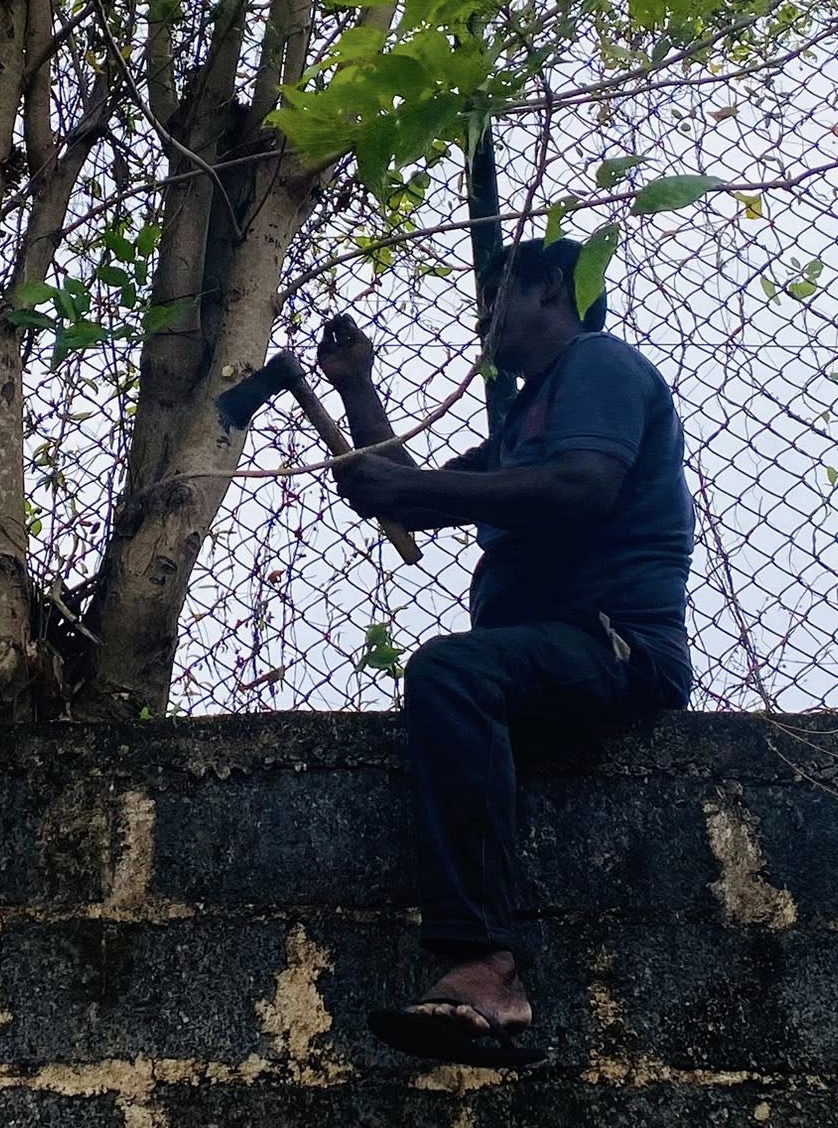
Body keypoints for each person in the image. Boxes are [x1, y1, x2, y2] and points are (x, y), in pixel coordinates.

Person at [318, 235, 695, 1069]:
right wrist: (358, 388)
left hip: (617, 645)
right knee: (460, 676)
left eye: (495, 298)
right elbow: (419, 497)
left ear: (551, 289)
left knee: (450, 671)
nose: (483, 319)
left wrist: (410, 488)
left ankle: (486, 971)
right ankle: (480, 969)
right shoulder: (526, 420)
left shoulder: (598, 363)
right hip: (545, 657)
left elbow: (582, 486)